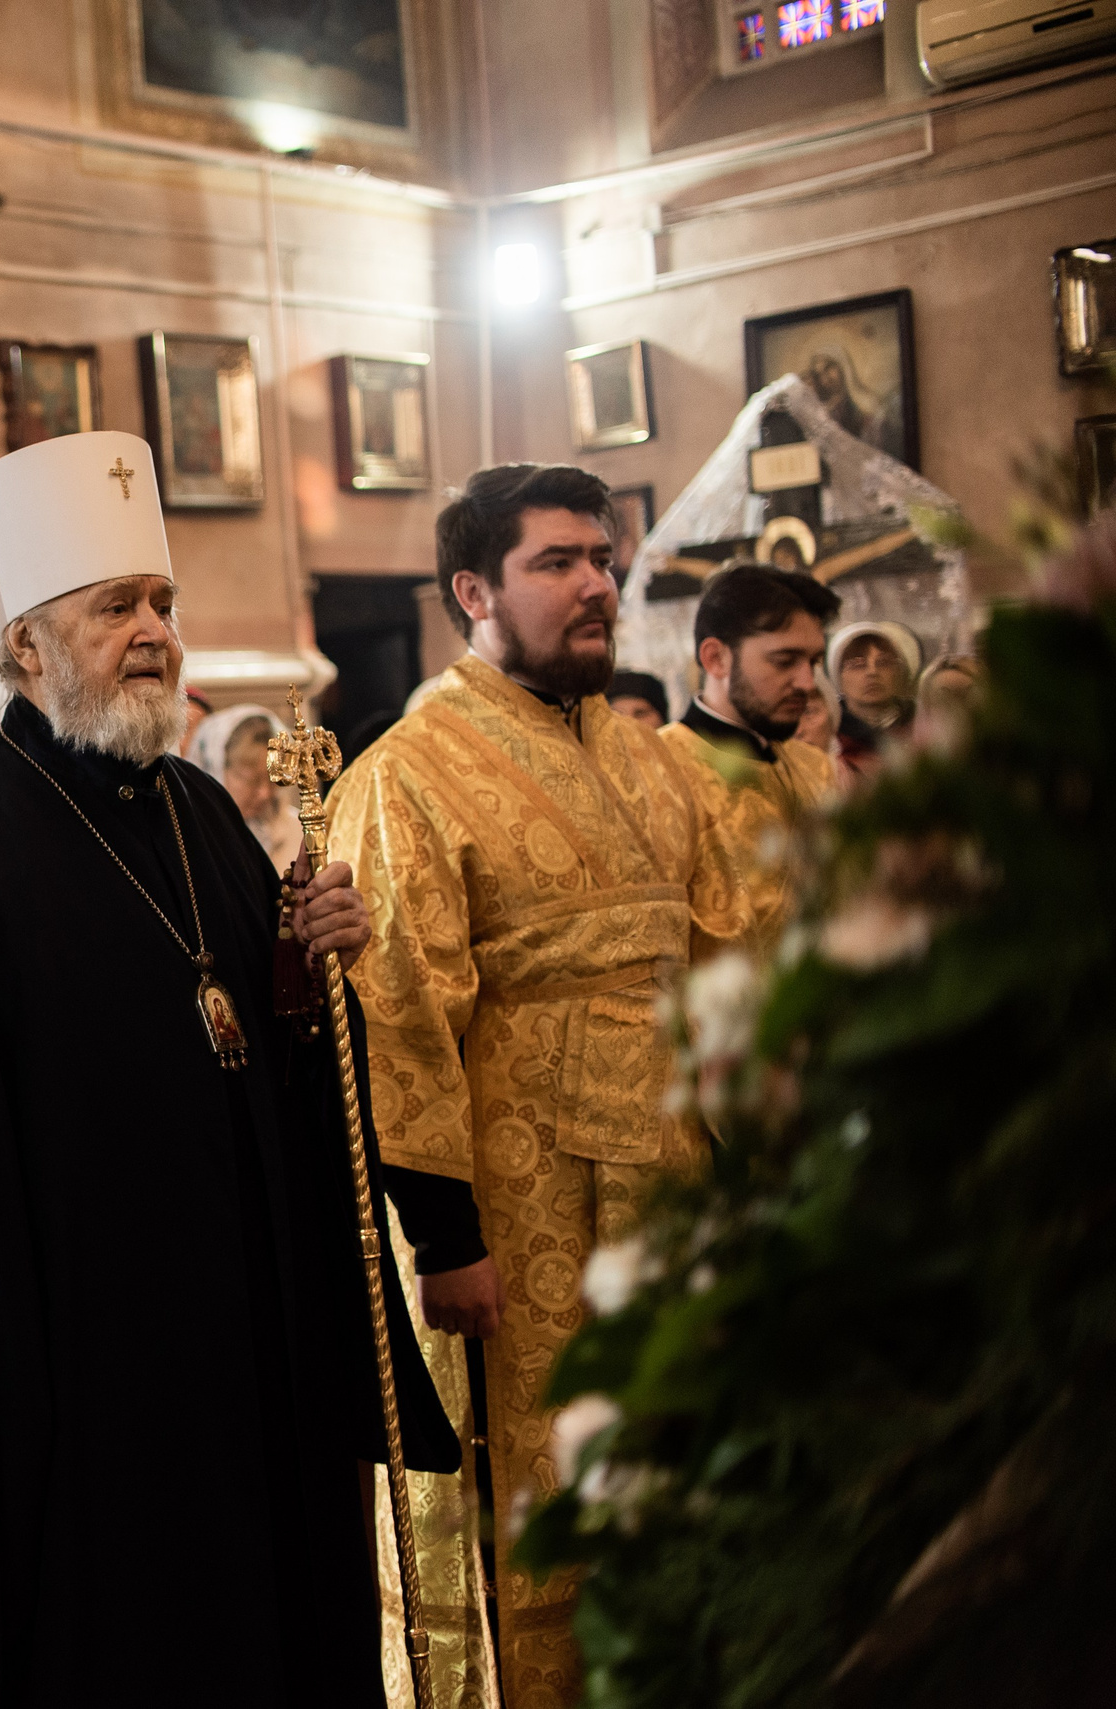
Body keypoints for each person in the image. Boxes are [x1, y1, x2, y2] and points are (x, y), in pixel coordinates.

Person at [0, 432, 459, 1709]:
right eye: (115, 607)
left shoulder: (199, 816)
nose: (153, 632)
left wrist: (309, 973)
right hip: (80, 1385)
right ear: (22, 643)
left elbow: (278, 1058)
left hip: (245, 1360)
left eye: (163, 604)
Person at [327, 462, 746, 1709]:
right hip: (519, 1215)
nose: (595, 584)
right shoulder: (409, 773)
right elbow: (396, 1015)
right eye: (557, 562)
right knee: (537, 1503)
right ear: (474, 590)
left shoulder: (652, 760)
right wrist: (444, 1239)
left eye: (602, 558)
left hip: (674, 1202)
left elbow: (727, 961)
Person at [659, 564, 841, 953]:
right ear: (716, 659)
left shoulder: (816, 768)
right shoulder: (655, 769)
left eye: (813, 662)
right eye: (784, 660)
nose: (807, 683)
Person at [191, 704, 304, 872]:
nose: (265, 793)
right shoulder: (193, 836)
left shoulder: (298, 831)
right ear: (216, 771)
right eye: (252, 780)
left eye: (273, 780)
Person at [828, 619, 920, 782]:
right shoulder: (826, 733)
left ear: (899, 672)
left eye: (884, 662)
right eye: (857, 664)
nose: (872, 672)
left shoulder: (922, 727)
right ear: (838, 676)